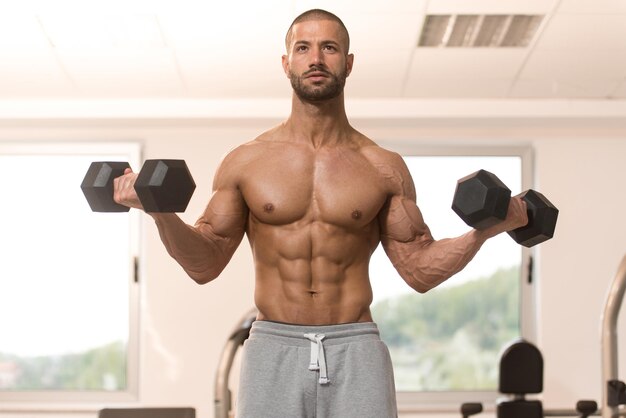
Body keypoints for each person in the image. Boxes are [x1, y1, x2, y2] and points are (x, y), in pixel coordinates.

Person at [113, 8, 528, 418]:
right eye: (303, 47)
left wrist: (483, 232)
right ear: (285, 62)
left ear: (348, 63)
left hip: (356, 346)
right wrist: (159, 212)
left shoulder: (382, 166)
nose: (315, 58)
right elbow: (205, 263)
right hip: (272, 346)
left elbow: (418, 271)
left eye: (329, 48)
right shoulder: (246, 162)